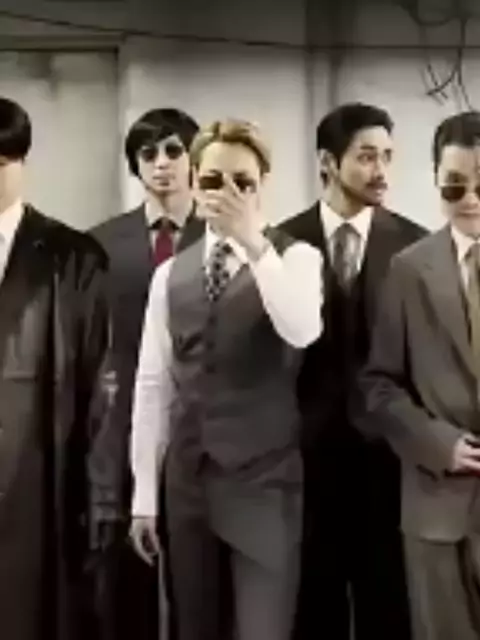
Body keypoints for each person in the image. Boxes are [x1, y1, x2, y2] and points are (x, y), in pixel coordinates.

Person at [130, 118, 323, 640]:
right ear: (194, 181)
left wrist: (254, 244)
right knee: (194, 627)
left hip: (264, 483)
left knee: (263, 629)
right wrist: (144, 496)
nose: (228, 194)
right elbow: (154, 385)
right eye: (214, 180)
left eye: (243, 182)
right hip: (189, 484)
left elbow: (302, 329)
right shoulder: (170, 275)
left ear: (264, 184)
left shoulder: (297, 257)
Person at [282, 102, 426, 640]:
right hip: (304, 461)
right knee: (311, 608)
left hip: (388, 462)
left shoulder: (416, 246)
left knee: (388, 607)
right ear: (328, 161)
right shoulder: (280, 243)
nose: (381, 170)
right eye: (367, 156)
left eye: (387, 156)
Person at [361, 110, 480, 640]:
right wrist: (437, 442)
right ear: (435, 180)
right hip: (436, 506)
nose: (470, 199)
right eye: (454, 187)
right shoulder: (408, 268)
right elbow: (378, 384)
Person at [0, 96, 111, 640]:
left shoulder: (72, 256)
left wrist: (101, 493)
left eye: (0, 163)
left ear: (20, 163)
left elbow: (100, 383)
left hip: (38, 474)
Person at [91, 108, 204, 640]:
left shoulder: (221, 235)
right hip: (121, 426)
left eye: (174, 151)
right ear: (135, 165)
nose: (162, 164)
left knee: (197, 583)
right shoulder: (101, 244)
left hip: (201, 424)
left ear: (194, 159)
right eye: (148, 153)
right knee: (125, 579)